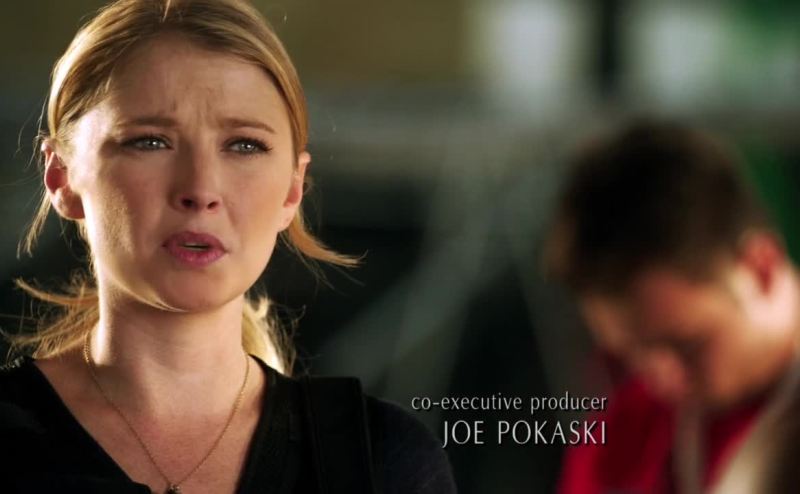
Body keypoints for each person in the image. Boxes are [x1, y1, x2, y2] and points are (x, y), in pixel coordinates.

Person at [0, 1, 457, 493]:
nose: (201, 189)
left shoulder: (384, 460)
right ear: (61, 176)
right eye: (150, 141)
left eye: (244, 145)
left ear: (292, 191)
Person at [544, 120, 800, 493]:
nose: (661, 378)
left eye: (687, 346)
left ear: (761, 269)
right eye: (630, 354)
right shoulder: (623, 438)